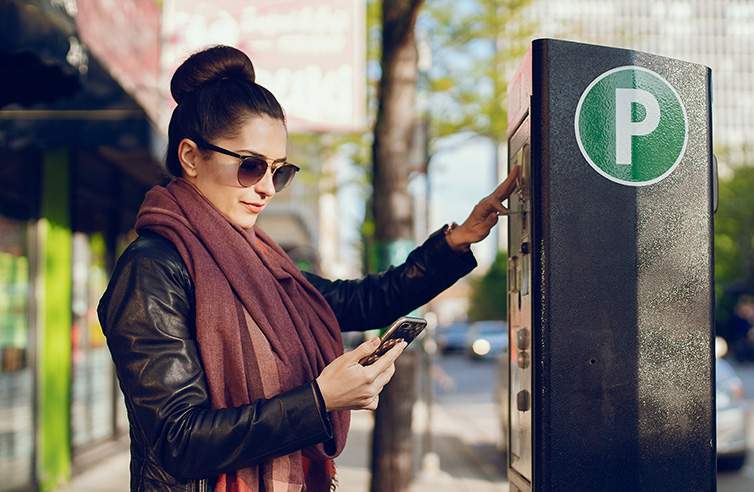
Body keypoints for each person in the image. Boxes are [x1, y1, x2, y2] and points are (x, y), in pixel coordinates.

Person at [97, 45, 519, 492]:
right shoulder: (151, 270)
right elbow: (178, 441)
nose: (266, 188)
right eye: (251, 166)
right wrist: (319, 401)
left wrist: (455, 242)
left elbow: (361, 301)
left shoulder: (260, 259)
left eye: (278, 171)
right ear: (190, 157)